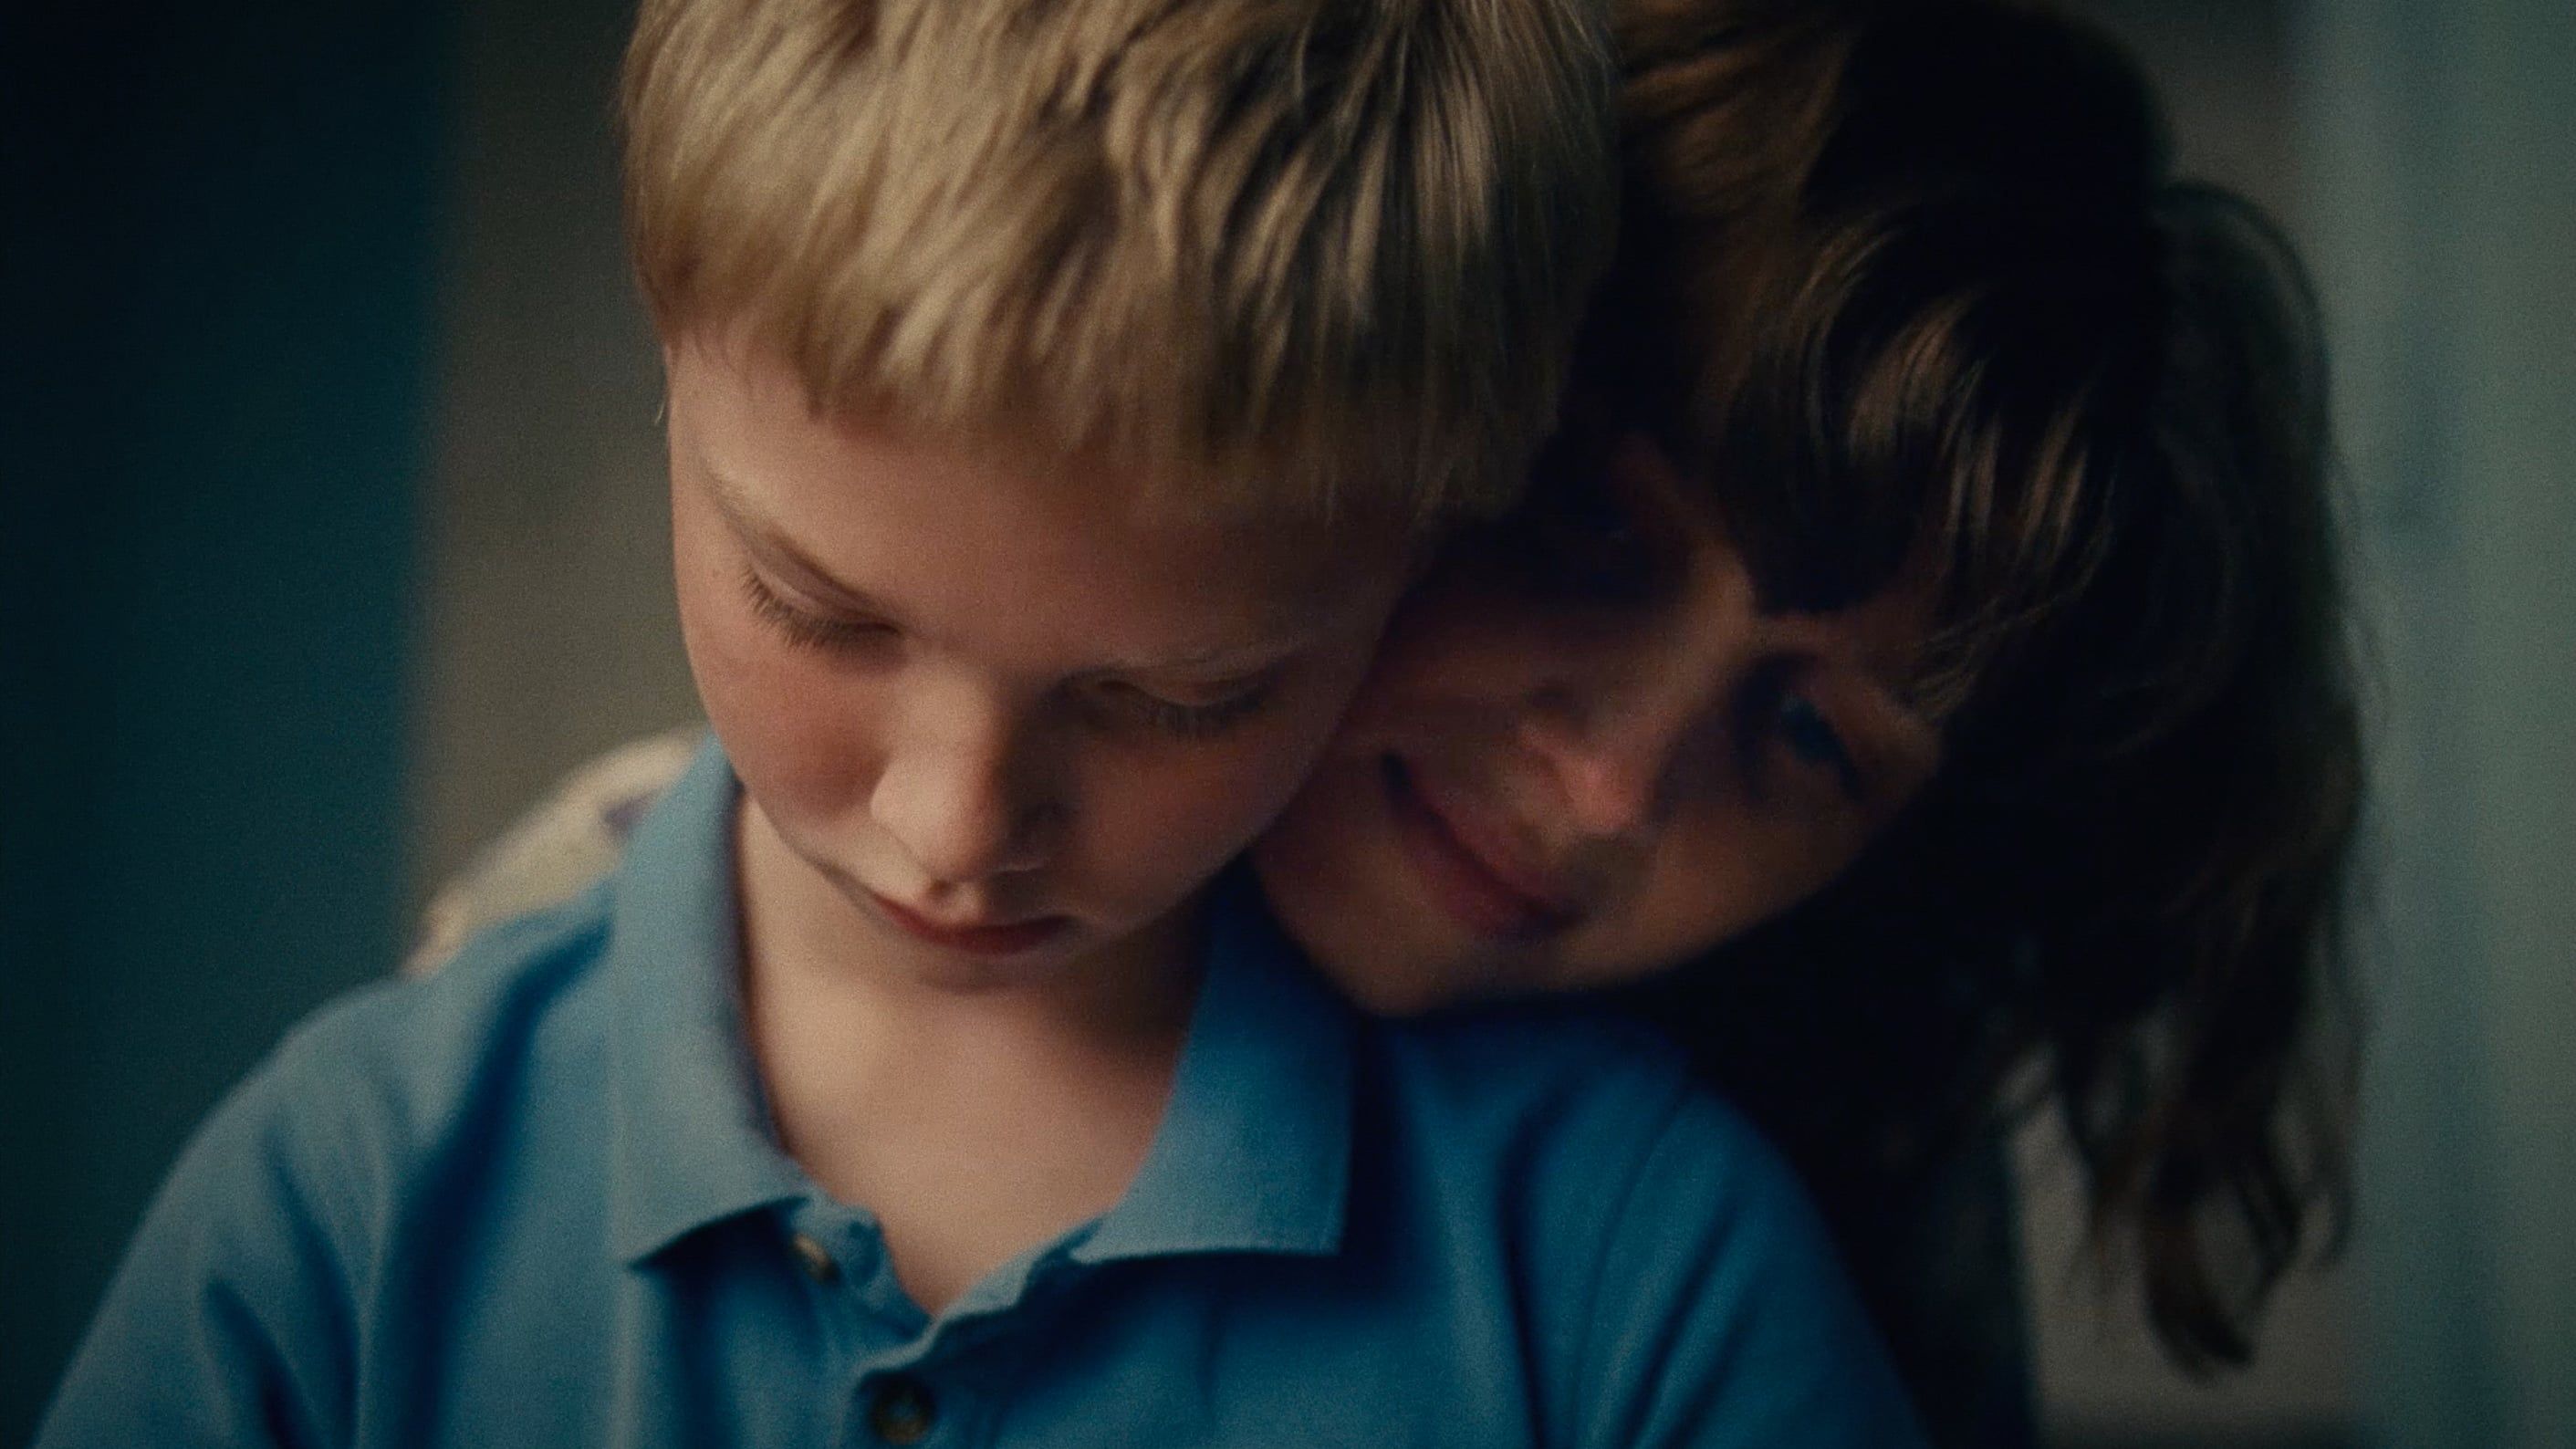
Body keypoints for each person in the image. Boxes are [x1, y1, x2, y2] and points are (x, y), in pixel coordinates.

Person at [402, 1, 2364, 1444]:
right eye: (1586, 529)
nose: (1609, 781)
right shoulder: (587, 971)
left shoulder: (1792, 1189)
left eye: (1809, 740)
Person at [37, 2, 1933, 1447]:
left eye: (1177, 697)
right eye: (822, 612)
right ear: (667, 345)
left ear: (1434, 550)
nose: (954, 827)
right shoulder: (348, 1206)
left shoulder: (1635, 1273)